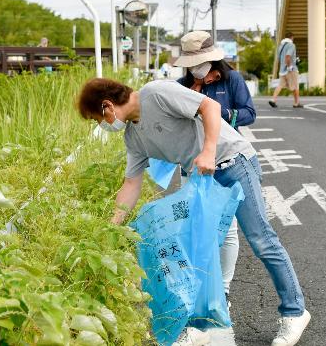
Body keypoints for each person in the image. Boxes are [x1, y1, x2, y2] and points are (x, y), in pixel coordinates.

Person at [77, 77, 311, 346]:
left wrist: (209, 150)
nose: (102, 125)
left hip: (233, 162)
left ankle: (295, 312)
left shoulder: (156, 93)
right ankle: (200, 325)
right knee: (196, 251)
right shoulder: (133, 136)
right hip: (202, 180)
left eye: (98, 118)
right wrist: (113, 224)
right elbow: (132, 183)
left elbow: (209, 106)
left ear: (107, 106)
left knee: (260, 239)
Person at [174, 30, 256, 304]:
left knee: (228, 226)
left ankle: (223, 288)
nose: (195, 69)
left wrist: (222, 113)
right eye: (190, 64)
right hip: (192, 162)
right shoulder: (181, 85)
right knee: (194, 225)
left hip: (226, 160)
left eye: (199, 63)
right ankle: (197, 285)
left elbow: (249, 113)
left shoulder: (232, 80)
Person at [269, 33, 302, 108]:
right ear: (291, 38)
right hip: (290, 69)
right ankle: (296, 103)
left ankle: (273, 99)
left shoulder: (280, 46)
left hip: (282, 70)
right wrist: (290, 66)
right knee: (295, 86)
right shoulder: (291, 45)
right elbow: (288, 56)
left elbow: (279, 58)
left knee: (280, 85)